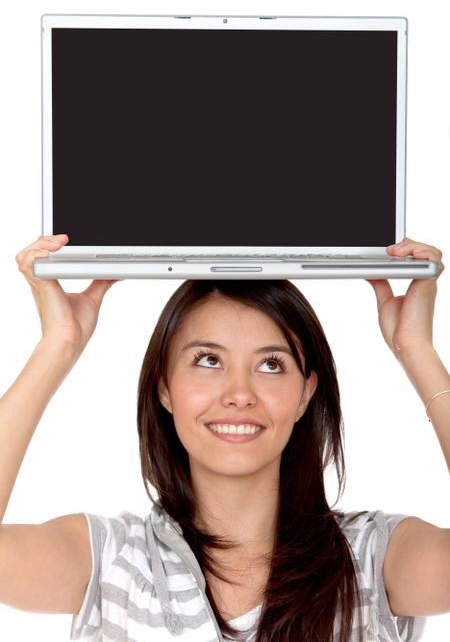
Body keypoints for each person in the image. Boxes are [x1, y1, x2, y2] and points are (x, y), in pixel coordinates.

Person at [0, 235, 449, 642]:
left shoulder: (371, 559)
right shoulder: (112, 560)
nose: (239, 395)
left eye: (271, 364)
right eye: (208, 360)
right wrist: (58, 344)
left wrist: (418, 351)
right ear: (163, 387)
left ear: (305, 394)